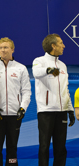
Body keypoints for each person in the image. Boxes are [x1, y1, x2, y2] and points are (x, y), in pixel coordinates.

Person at [32, 33, 75, 166]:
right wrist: (49, 70)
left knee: (61, 148)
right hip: (46, 111)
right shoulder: (39, 61)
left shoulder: (63, 65)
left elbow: (65, 90)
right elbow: (36, 73)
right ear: (53, 46)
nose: (64, 46)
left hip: (61, 111)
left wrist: (70, 110)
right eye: (61, 43)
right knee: (44, 147)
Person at [0, 37, 31, 166]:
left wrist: (22, 107)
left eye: (6, 47)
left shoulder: (21, 68)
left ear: (12, 49)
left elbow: (27, 91)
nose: (3, 50)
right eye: (0, 48)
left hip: (14, 114)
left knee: (12, 147)